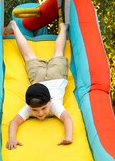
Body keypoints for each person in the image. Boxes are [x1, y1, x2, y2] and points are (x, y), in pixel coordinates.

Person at [5, 20, 73, 150]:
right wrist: (12, 138)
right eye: (35, 110)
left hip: (40, 78)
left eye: (43, 108)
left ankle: (63, 28)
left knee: (30, 55)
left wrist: (68, 137)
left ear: (49, 102)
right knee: (55, 53)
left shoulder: (51, 105)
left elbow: (67, 119)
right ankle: (62, 28)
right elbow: (14, 122)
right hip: (54, 76)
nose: (40, 113)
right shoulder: (32, 105)